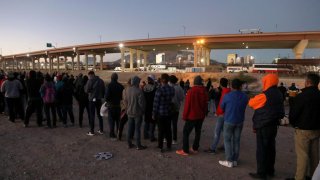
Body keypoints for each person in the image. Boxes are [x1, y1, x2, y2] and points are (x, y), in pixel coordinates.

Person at [248, 74, 285, 179]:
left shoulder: (264, 95)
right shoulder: (278, 93)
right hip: (273, 125)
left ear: (267, 82)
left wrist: (255, 97)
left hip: (263, 125)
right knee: (271, 149)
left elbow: (251, 103)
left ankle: (261, 173)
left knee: (261, 150)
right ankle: (270, 170)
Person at [287, 73, 320, 180]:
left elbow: (294, 113)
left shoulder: (302, 96)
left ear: (308, 82)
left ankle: (300, 178)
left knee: (303, 156)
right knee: (314, 156)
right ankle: (314, 176)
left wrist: (293, 123)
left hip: (303, 130)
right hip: (316, 130)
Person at [218, 79, 248, 168]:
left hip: (229, 120)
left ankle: (229, 160)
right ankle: (235, 160)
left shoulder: (227, 96)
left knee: (227, 140)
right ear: (240, 86)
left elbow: (222, 107)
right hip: (240, 121)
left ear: (231, 86)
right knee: (236, 140)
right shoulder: (245, 96)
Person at [176, 76, 208, 156]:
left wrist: (184, 116)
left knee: (186, 132)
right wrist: (204, 114)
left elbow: (187, 106)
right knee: (198, 132)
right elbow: (205, 105)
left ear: (194, 82)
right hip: (200, 116)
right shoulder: (204, 91)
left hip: (192, 116)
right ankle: (195, 148)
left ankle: (185, 150)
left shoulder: (191, 91)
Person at [205, 78, 231, 154]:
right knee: (224, 131)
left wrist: (217, 112)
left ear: (220, 84)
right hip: (227, 114)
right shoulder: (228, 91)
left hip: (222, 114)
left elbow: (221, 105)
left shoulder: (224, 92)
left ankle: (213, 148)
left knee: (217, 132)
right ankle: (225, 145)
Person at [153, 73, 175, 153]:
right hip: (168, 112)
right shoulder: (172, 89)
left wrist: (154, 113)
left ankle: (160, 146)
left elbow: (156, 103)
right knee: (168, 130)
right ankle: (169, 146)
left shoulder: (159, 90)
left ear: (162, 80)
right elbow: (172, 99)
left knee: (161, 131)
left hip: (161, 113)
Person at [123, 76, 146, 150]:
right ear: (137, 82)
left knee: (129, 128)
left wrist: (127, 109)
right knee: (137, 129)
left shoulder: (127, 90)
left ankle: (129, 144)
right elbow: (141, 104)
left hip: (129, 112)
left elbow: (125, 101)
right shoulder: (139, 91)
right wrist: (143, 110)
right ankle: (138, 145)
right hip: (137, 113)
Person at [85, 71, 105, 136]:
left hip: (92, 100)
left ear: (91, 75)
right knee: (100, 115)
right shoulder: (101, 81)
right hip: (99, 100)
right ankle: (101, 130)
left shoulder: (90, 81)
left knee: (92, 115)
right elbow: (104, 90)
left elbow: (86, 90)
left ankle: (92, 131)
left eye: (89, 76)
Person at [105, 73, 124, 138]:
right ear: (117, 78)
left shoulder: (109, 86)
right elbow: (122, 97)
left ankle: (112, 134)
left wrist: (107, 101)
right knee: (118, 121)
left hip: (111, 106)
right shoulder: (121, 86)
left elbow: (106, 97)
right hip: (118, 106)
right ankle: (119, 133)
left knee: (111, 121)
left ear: (111, 78)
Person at [169, 75, 184, 144]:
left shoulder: (167, 87)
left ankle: (166, 137)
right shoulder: (179, 88)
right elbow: (182, 98)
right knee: (174, 124)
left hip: (167, 108)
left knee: (167, 124)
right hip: (176, 109)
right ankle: (174, 139)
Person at [143, 75, 157, 141]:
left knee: (146, 121)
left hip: (146, 107)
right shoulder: (155, 88)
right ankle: (152, 136)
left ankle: (145, 135)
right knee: (152, 122)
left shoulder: (144, 88)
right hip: (153, 107)